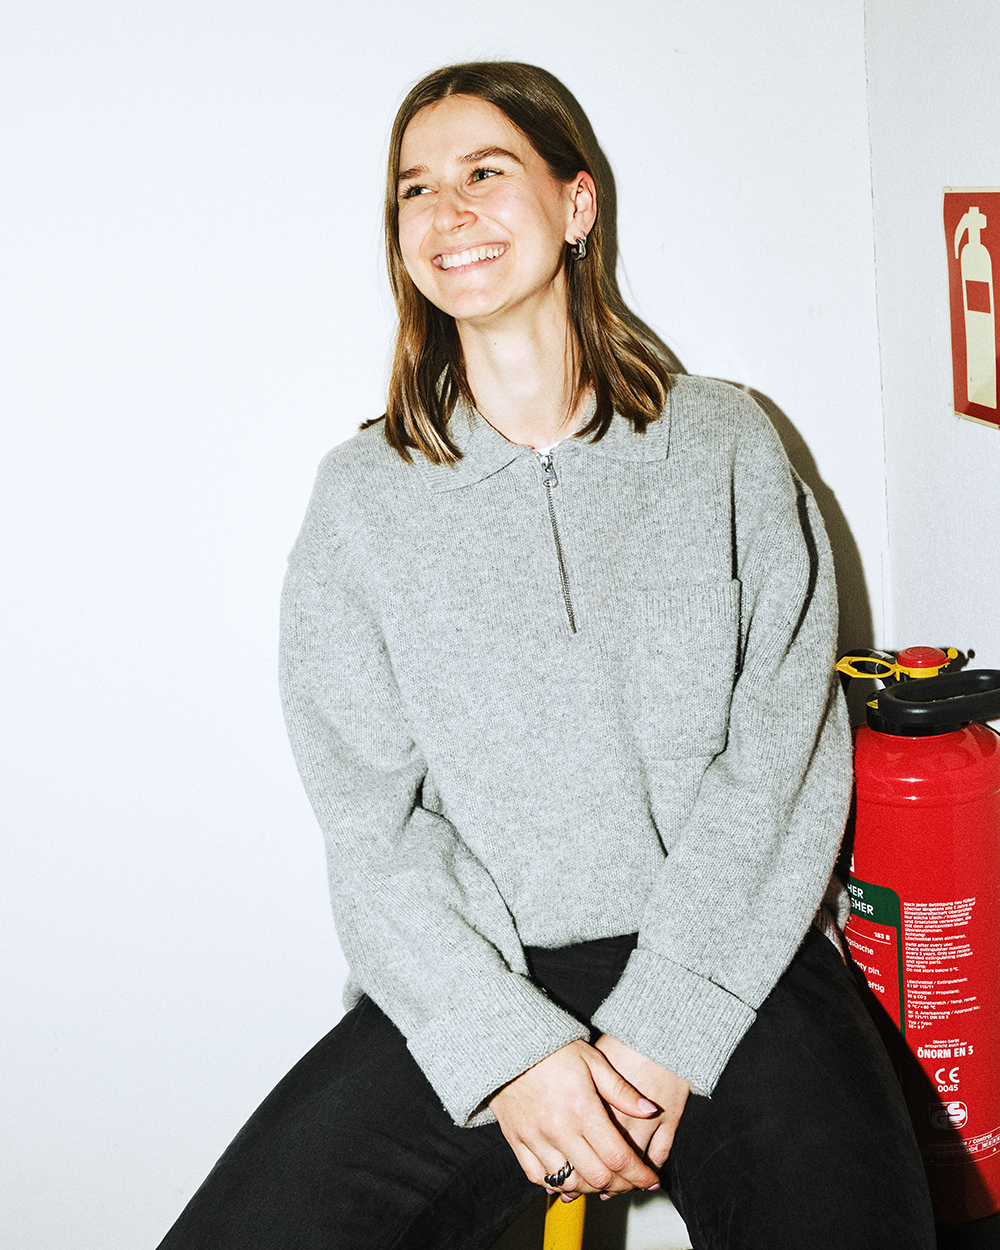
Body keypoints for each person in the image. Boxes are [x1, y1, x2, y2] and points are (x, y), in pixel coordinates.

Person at [157, 61, 936, 1250]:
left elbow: (780, 755)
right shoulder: (360, 500)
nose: (446, 211)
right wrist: (511, 1052)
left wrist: (668, 1018)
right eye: (414, 189)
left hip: (733, 958)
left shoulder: (723, 442)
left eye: (484, 172)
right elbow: (373, 826)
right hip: (477, 979)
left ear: (577, 205)